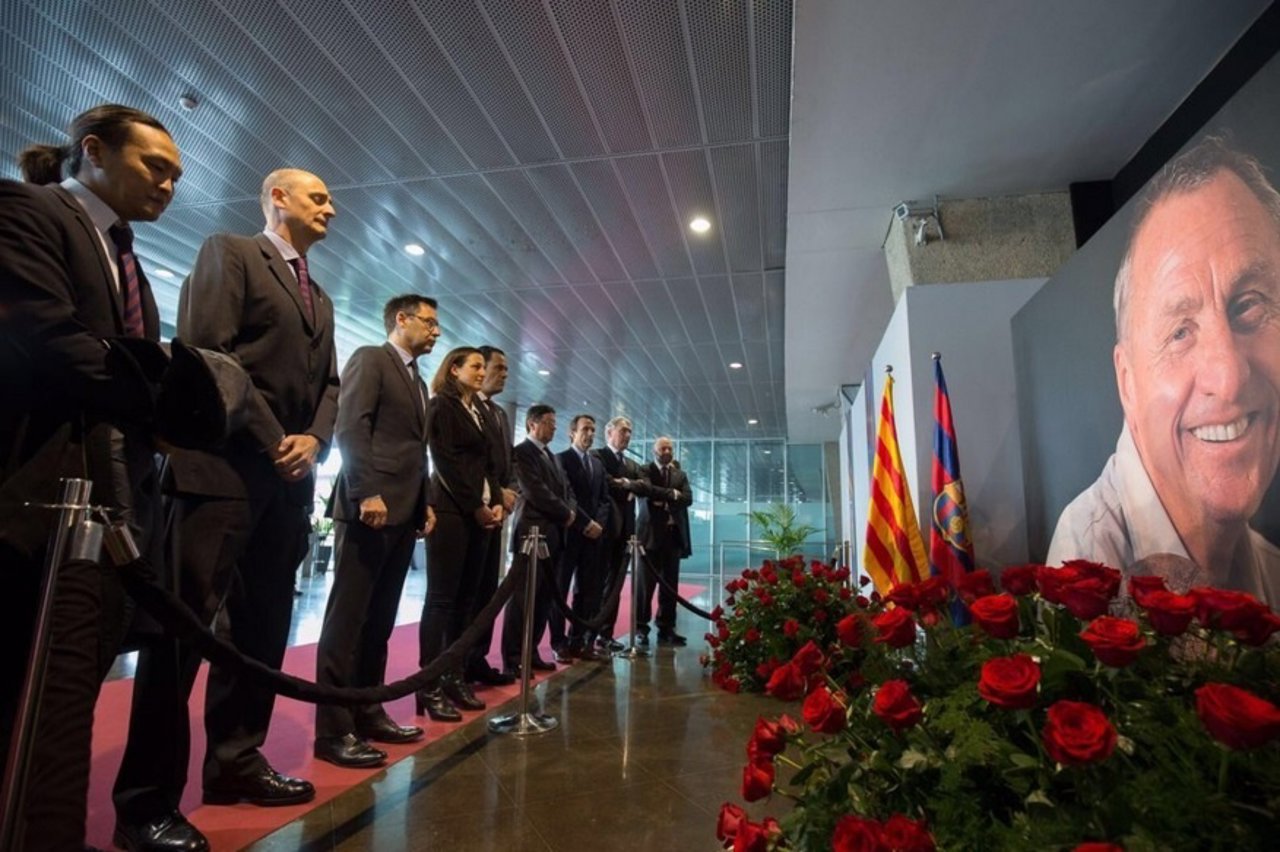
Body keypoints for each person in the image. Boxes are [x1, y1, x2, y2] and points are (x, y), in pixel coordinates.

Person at [113, 168, 340, 849]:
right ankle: (144, 803)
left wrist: (316, 441)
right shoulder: (231, 252)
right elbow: (211, 354)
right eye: (319, 195)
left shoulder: (322, 296)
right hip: (221, 470)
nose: (332, 206)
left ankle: (235, 762)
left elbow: (330, 381)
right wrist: (279, 440)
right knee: (180, 637)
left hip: (288, 484)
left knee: (263, 632)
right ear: (278, 198)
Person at [0, 103, 182, 852]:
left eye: (176, 176)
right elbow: (47, 337)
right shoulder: (29, 208)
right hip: (36, 491)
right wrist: (166, 393)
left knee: (69, 699)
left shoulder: (127, 255)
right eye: (155, 167)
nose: (168, 186)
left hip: (109, 503)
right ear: (94, 151)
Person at [1048, 135, 1280, 607]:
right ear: (1128, 384)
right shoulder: (1087, 579)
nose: (1229, 376)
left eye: (1250, 305)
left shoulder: (1268, 570)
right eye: (1179, 332)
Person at [312, 295, 440, 768]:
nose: (436, 331)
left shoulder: (417, 381)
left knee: (379, 622)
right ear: (401, 320)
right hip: (370, 508)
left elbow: (414, 450)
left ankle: (367, 710)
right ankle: (333, 731)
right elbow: (351, 428)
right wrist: (365, 491)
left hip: (403, 512)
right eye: (429, 322)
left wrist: (424, 503)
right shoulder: (371, 359)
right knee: (347, 623)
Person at [417, 347, 503, 722]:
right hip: (452, 511)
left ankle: (454, 676)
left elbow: (488, 464)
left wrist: (496, 500)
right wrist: (475, 506)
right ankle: (429, 684)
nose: (482, 371)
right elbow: (446, 462)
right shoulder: (442, 405)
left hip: (479, 513)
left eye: (484, 366)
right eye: (475, 365)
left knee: (467, 601)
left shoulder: (478, 411)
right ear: (454, 370)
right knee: (441, 601)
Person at [501, 405, 576, 677]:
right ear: (532, 424)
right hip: (531, 534)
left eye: (555, 422)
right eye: (549, 422)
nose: (555, 427)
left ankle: (531, 651)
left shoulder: (552, 457)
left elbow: (567, 490)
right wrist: (565, 512)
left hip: (554, 537)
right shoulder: (522, 453)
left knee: (544, 599)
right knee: (523, 598)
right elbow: (535, 491)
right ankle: (513, 657)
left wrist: (571, 511)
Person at [463, 346, 518, 687]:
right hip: (471, 511)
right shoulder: (464, 407)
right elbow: (468, 464)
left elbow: (506, 464)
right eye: (500, 367)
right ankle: (454, 666)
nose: (504, 374)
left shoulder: (498, 414)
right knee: (463, 595)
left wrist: (507, 493)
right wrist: (495, 496)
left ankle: (477, 659)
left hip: (496, 512)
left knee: (486, 591)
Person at [549, 415, 610, 662]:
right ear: (572, 432)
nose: (590, 434)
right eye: (585, 429)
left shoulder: (597, 465)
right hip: (568, 535)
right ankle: (558, 642)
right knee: (560, 591)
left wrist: (599, 525)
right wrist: (587, 523)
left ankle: (578, 640)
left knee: (587, 592)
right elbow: (566, 496)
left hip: (593, 538)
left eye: (593, 430)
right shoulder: (560, 460)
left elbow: (605, 499)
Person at [591, 416, 654, 652]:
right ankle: (589, 634)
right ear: (609, 432)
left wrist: (625, 483)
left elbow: (645, 486)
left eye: (630, 431)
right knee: (595, 584)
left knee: (615, 586)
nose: (627, 435)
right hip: (602, 530)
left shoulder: (631, 464)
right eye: (623, 430)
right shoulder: (598, 456)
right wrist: (628, 486)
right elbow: (605, 482)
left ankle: (606, 634)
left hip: (625, 532)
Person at [635, 436, 692, 646]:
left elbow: (688, 498)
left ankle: (666, 628)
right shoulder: (644, 470)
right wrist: (673, 494)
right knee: (644, 586)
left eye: (670, 448)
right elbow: (647, 490)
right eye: (663, 448)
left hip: (672, 537)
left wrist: (663, 497)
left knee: (670, 586)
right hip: (649, 537)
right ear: (654, 450)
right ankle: (641, 628)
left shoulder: (680, 474)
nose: (667, 451)